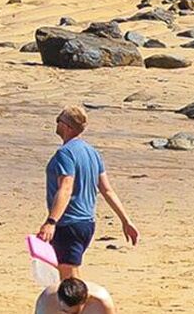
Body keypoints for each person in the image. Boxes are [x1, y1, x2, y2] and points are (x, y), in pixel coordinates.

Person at [39, 106, 137, 284]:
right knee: (69, 275)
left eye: (58, 120)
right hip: (87, 225)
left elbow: (66, 188)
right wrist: (125, 220)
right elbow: (107, 190)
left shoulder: (65, 153)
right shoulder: (92, 153)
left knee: (69, 281)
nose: (56, 123)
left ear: (67, 126)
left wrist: (51, 222)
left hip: (68, 224)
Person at [36, 278, 115, 313]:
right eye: (65, 312)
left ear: (86, 300)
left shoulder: (101, 303)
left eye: (75, 313)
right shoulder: (47, 301)